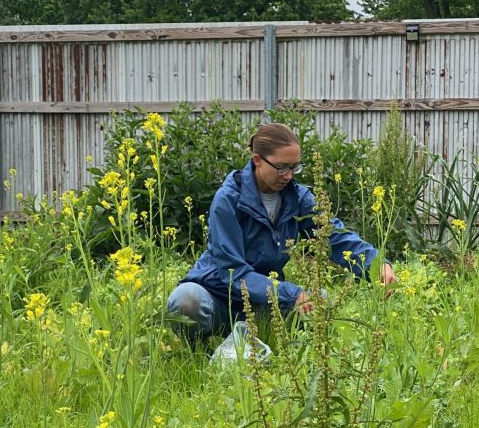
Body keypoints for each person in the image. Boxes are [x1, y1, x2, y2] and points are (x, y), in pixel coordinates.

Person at [166, 122, 396, 341]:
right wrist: (292, 294)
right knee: (185, 301)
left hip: (265, 300)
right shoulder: (228, 200)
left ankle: (255, 336)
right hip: (218, 297)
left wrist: (377, 265)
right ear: (257, 160)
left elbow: (334, 236)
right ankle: (199, 348)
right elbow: (232, 273)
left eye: (295, 167)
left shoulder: (298, 197)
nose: (289, 175)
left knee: (321, 303)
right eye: (282, 167)